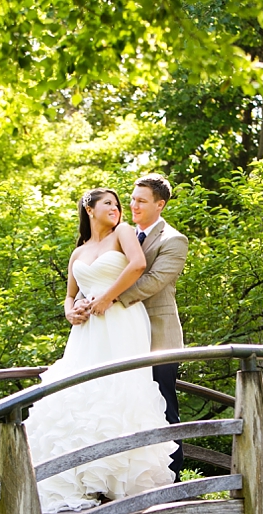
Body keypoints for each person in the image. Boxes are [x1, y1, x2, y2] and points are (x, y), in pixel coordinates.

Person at [24, 188, 177, 513]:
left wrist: (108, 297)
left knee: (118, 390)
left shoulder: (123, 233)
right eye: (108, 203)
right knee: (80, 393)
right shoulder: (79, 251)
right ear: (89, 209)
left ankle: (119, 482)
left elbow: (136, 266)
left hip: (120, 320)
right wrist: (70, 311)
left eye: (119, 204)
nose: (117, 208)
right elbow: (70, 294)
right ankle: (83, 480)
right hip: (87, 331)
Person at [70, 174, 188, 480]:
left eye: (141, 200)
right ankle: (118, 475)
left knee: (162, 405)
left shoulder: (172, 240)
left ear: (159, 205)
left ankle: (170, 478)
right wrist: (83, 303)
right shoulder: (116, 235)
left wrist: (109, 299)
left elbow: (153, 281)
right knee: (117, 404)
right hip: (114, 336)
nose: (132, 205)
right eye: (132, 199)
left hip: (158, 337)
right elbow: (97, 276)